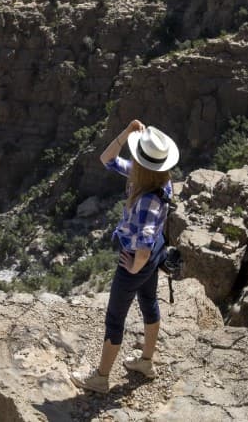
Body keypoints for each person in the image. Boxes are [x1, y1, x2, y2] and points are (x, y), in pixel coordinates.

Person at [70, 119, 179, 394]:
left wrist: (134, 267)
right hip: (156, 252)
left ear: (141, 163)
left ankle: (101, 378)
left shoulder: (145, 200)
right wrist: (128, 132)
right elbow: (106, 159)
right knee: (149, 302)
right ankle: (145, 362)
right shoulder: (157, 182)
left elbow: (142, 244)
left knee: (115, 319)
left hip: (137, 258)